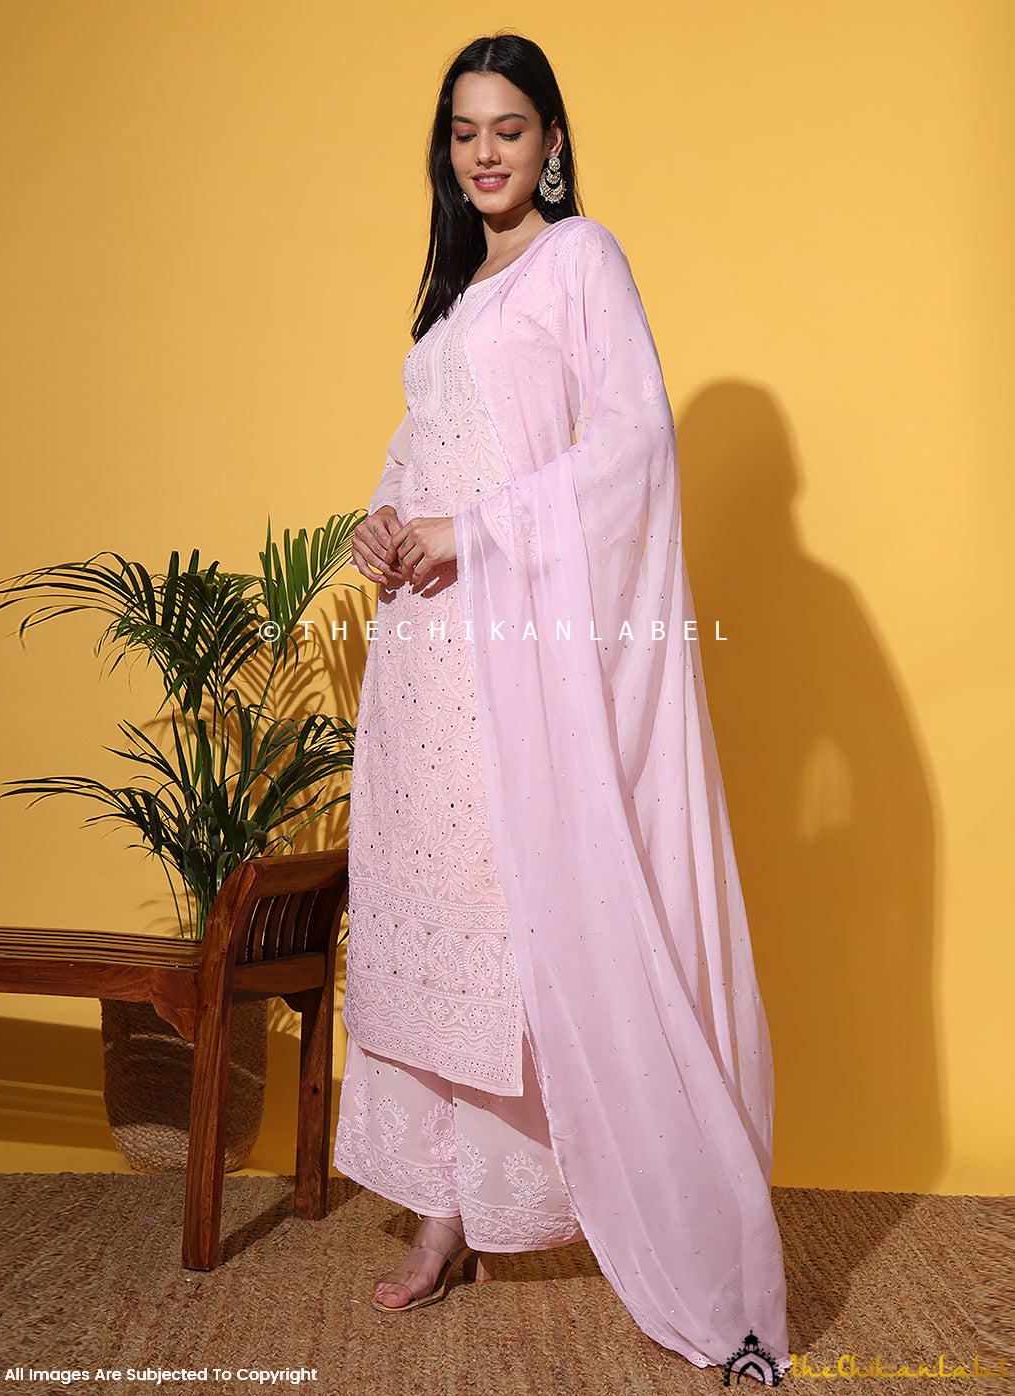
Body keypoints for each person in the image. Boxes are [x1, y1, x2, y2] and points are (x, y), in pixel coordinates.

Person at [334, 32, 792, 1374]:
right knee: (431, 914)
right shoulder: (453, 293)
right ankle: (443, 1210)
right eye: (464, 131)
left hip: (508, 650)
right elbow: (421, 452)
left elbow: (635, 440)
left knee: (512, 919)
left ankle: (598, 1202)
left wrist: (475, 533)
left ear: (550, 143)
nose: (485, 152)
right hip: (422, 656)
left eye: (509, 129)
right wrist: (382, 522)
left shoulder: (579, 258)